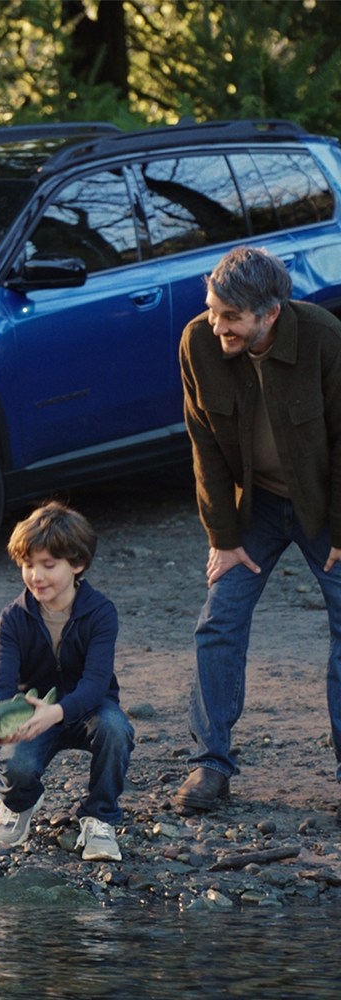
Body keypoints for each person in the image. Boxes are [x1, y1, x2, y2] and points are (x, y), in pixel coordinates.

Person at [175, 245, 341, 812]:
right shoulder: (198, 341)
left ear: (270, 312)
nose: (216, 324)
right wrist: (223, 538)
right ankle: (210, 766)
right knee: (219, 619)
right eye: (213, 309)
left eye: (230, 316)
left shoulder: (323, 338)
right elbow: (204, 446)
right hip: (257, 508)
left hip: (326, 506)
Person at [0, 500, 134, 859]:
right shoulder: (12, 619)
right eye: (28, 565)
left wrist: (57, 712)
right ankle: (19, 803)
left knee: (117, 730)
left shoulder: (100, 613)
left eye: (48, 565)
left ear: (77, 564)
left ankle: (100, 817)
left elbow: (97, 682)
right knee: (17, 765)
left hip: (89, 708)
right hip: (32, 713)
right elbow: (0, 681)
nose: (36, 575)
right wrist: (0, 716)